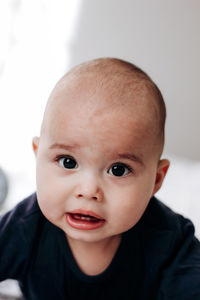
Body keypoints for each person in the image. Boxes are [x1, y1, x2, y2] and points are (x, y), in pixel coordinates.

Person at [0, 58, 199, 300]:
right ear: (37, 156)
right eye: (68, 162)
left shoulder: (169, 241)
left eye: (118, 169)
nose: (88, 190)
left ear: (156, 180)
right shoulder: (24, 227)